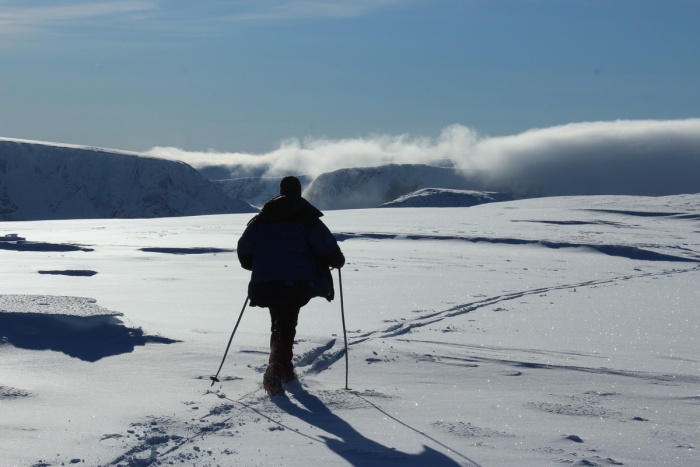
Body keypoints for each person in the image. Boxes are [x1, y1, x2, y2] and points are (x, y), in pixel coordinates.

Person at [237, 176, 345, 395]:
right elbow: (326, 246)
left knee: (279, 319)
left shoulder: (262, 218)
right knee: (287, 319)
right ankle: (278, 366)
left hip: (266, 282)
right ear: (298, 191)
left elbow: (244, 249)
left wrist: (258, 266)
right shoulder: (306, 217)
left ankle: (283, 367)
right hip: (297, 282)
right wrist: (337, 261)